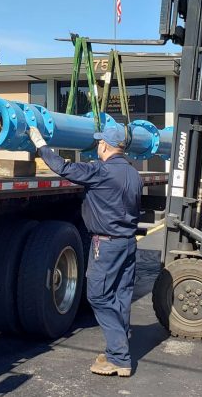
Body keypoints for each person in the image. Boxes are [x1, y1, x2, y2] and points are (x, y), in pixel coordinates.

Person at [27, 125, 142, 378]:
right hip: (127, 243)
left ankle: (119, 358)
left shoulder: (100, 171)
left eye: (99, 143)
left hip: (107, 244)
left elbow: (64, 168)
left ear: (105, 146)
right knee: (121, 296)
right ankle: (117, 351)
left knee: (99, 297)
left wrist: (40, 144)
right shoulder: (134, 174)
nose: (98, 146)